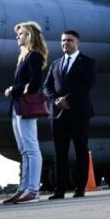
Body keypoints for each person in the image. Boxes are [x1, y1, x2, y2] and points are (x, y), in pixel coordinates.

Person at [43, 30, 96, 199]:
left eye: (69, 40)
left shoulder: (87, 62)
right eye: (63, 40)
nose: (66, 43)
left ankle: (80, 188)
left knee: (81, 149)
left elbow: (86, 85)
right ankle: (60, 190)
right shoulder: (55, 64)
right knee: (60, 152)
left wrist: (68, 99)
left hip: (79, 112)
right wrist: (56, 100)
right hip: (58, 114)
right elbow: (47, 86)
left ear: (77, 43)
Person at [3, 22, 47, 205]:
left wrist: (14, 89)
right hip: (18, 107)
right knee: (24, 149)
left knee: (31, 148)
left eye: (20, 34)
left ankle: (33, 189)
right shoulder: (23, 56)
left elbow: (36, 82)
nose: (17, 37)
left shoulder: (34, 56)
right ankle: (24, 188)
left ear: (28, 36)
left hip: (25, 105)